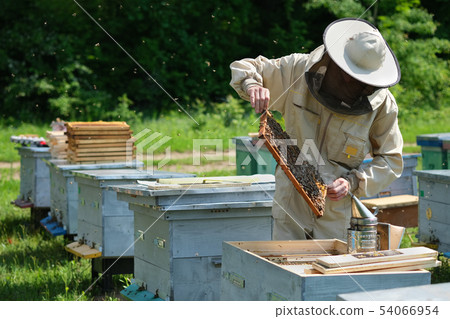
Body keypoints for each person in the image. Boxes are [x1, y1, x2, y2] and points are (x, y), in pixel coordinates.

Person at [229, 18, 403, 241]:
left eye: (357, 79)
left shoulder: (383, 106)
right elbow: (245, 67)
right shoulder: (297, 70)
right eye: (345, 73)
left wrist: (354, 182)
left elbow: (391, 160)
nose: (348, 81)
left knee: (329, 272)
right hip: (290, 199)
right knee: (287, 269)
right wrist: (252, 85)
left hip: (336, 209)